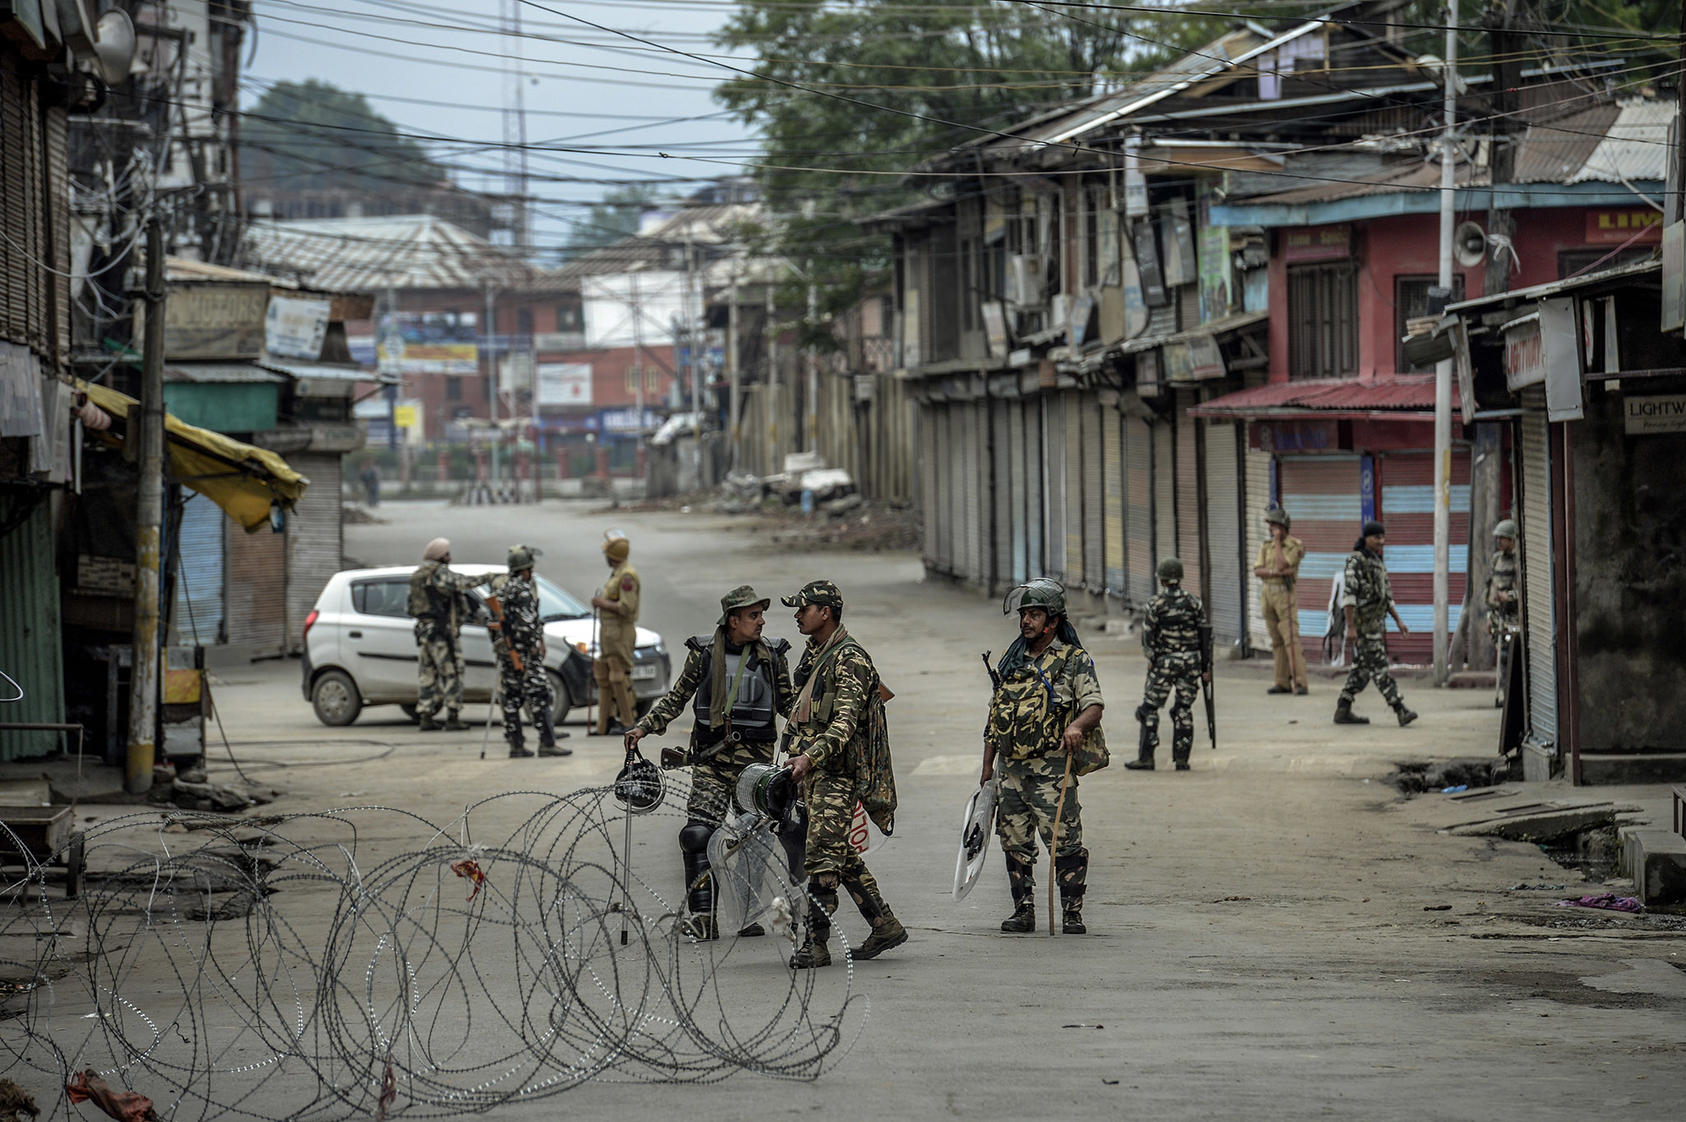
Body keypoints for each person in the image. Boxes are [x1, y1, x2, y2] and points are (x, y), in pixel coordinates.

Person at [626, 585, 795, 939]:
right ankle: (703, 918)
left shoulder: (774, 656)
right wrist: (644, 727)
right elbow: (677, 698)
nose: (761, 621)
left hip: (757, 770)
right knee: (697, 836)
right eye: (753, 615)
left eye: (761, 615)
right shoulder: (703, 654)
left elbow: (789, 707)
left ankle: (747, 914)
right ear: (733, 621)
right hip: (712, 763)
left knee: (755, 844)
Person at [781, 580, 906, 968]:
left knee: (820, 857)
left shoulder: (849, 659)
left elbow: (843, 726)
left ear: (826, 613)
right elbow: (800, 708)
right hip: (813, 773)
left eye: (804, 609)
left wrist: (808, 758)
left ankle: (815, 945)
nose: (798, 616)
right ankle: (883, 923)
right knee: (838, 851)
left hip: (836, 773)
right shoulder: (815, 655)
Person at [982, 578, 1104, 936]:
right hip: (1011, 769)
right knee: (1014, 841)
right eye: (1024, 614)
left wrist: (1077, 726)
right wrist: (987, 766)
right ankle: (1023, 910)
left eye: (1034, 615)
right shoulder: (1011, 660)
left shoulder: (1073, 661)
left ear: (1052, 621)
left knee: (1065, 841)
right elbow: (995, 715)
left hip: (1052, 767)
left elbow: (1094, 704)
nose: (1026, 622)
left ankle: (1072, 913)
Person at [1335, 520, 1418, 727]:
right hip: (1363, 626)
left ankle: (1343, 708)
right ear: (1367, 538)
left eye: (1383, 537)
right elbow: (1349, 596)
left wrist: (1399, 621)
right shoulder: (1356, 560)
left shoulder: (1378, 563)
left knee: (1362, 671)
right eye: (1376, 537)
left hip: (1376, 625)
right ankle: (1400, 709)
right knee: (1380, 667)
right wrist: (1351, 627)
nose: (1381, 541)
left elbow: (1386, 597)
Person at [489, 544, 569, 759]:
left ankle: (516, 745)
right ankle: (547, 743)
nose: (531, 572)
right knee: (541, 694)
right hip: (524, 654)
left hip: (508, 653)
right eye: (529, 569)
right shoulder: (522, 590)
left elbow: (492, 621)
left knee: (512, 698)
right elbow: (527, 624)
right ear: (523, 569)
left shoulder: (502, 588)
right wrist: (534, 643)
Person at [1129, 558, 1209, 772]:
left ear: (1162, 580)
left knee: (1150, 708)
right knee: (1184, 708)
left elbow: (1148, 637)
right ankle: (1182, 760)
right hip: (1191, 662)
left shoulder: (1156, 604)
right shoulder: (1194, 602)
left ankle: (1146, 758)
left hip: (1164, 662)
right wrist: (1205, 667)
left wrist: (1151, 659)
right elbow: (1205, 636)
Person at [407, 538, 493, 731]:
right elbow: (463, 583)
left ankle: (426, 716)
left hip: (424, 632)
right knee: (452, 671)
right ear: (440, 556)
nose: (449, 557)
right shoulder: (439, 574)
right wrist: (486, 578)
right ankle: (453, 716)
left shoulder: (417, 576)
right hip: (441, 633)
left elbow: (409, 607)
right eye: (447, 553)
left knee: (427, 673)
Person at [590, 532, 641, 736]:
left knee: (620, 676)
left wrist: (602, 603)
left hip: (620, 632)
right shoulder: (617, 573)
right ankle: (605, 722)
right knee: (604, 675)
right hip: (609, 632)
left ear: (614, 555)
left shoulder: (627, 576)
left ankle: (628, 720)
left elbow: (627, 607)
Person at [1254, 506, 1308, 695]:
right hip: (1267, 594)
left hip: (1284, 594)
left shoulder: (1295, 545)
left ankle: (1300, 682)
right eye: (1270, 525)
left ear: (1284, 526)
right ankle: (1282, 681)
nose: (1271, 529)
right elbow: (1257, 570)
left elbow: (1283, 564)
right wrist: (1273, 573)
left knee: (1290, 639)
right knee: (1276, 640)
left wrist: (1277, 543)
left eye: (1274, 525)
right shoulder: (1264, 546)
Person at [1485, 518, 1521, 709]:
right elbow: (1491, 586)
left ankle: (1510, 698)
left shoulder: (1518, 561)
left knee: (1509, 657)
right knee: (1502, 657)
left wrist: (1509, 596)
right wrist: (1489, 613)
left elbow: (1524, 591)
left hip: (1514, 617)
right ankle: (1504, 695)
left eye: (1502, 538)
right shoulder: (1497, 559)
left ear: (1511, 539)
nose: (1499, 542)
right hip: (1498, 616)